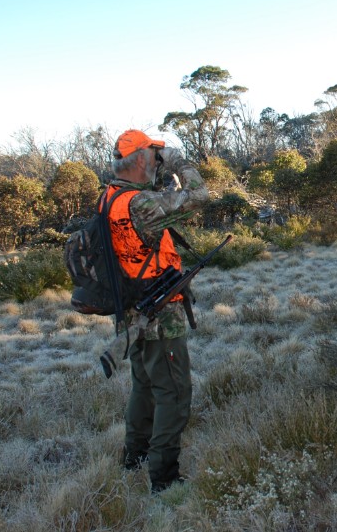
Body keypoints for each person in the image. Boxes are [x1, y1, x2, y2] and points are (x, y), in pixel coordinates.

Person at [106, 129, 209, 493]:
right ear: (139, 160)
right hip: (158, 315)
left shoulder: (111, 198)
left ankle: (134, 458)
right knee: (174, 393)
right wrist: (179, 162)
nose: (157, 159)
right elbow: (200, 195)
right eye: (152, 153)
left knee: (144, 387)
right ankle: (164, 479)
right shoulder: (140, 204)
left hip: (131, 310)